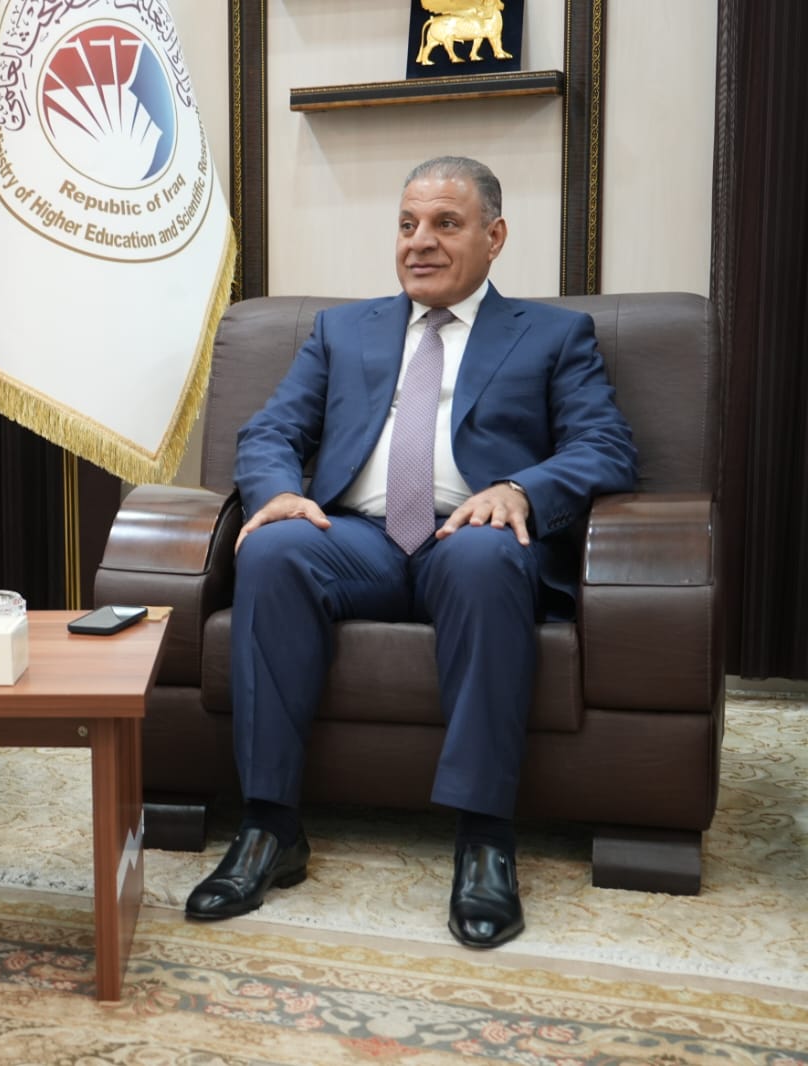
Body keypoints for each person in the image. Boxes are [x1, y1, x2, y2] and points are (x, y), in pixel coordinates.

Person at [185, 156, 636, 948]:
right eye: (406, 224)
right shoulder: (343, 331)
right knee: (274, 551)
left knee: (484, 557)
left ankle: (485, 839)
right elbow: (271, 430)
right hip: (356, 537)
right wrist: (277, 493)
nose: (419, 242)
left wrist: (523, 490)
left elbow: (605, 446)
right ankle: (269, 826)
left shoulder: (553, 335)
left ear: (495, 236)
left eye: (445, 224)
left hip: (470, 534)